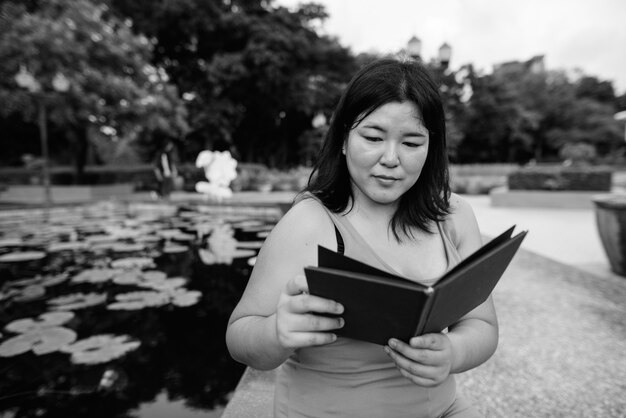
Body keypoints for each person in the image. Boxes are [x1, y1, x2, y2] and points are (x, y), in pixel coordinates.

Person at [226, 58, 498, 417]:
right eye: (372, 137)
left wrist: (453, 352)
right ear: (342, 139)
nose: (391, 158)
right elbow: (240, 336)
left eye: (412, 142)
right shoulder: (309, 222)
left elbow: (482, 325)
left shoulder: (454, 216)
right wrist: (277, 332)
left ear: (431, 147)